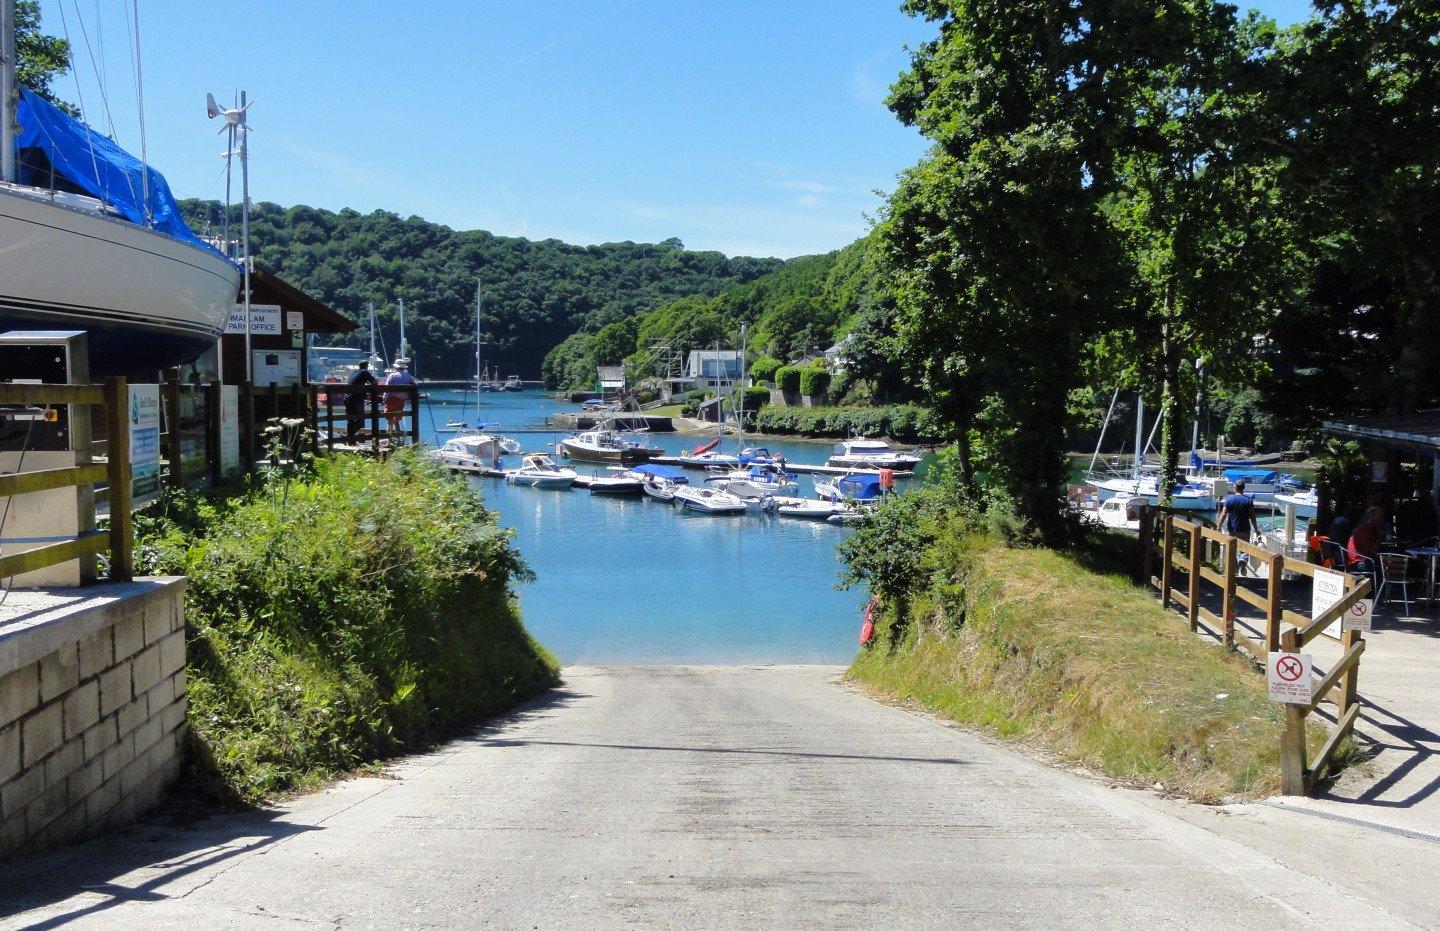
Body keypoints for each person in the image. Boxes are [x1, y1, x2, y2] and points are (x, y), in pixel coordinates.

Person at [384, 359, 418, 438]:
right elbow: (415, 384)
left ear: (396, 367)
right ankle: (399, 438)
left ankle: (389, 439)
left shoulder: (392, 376)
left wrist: (384, 399)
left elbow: (386, 388)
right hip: (401, 400)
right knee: (397, 420)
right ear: (404, 368)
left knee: (390, 420)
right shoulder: (409, 377)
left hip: (391, 400)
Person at [344, 360, 376, 442]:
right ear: (367, 366)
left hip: (347, 398)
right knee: (361, 420)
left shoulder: (354, 372)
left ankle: (350, 440)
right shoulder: (364, 372)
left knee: (351, 420)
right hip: (355, 399)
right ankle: (349, 437)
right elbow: (374, 382)